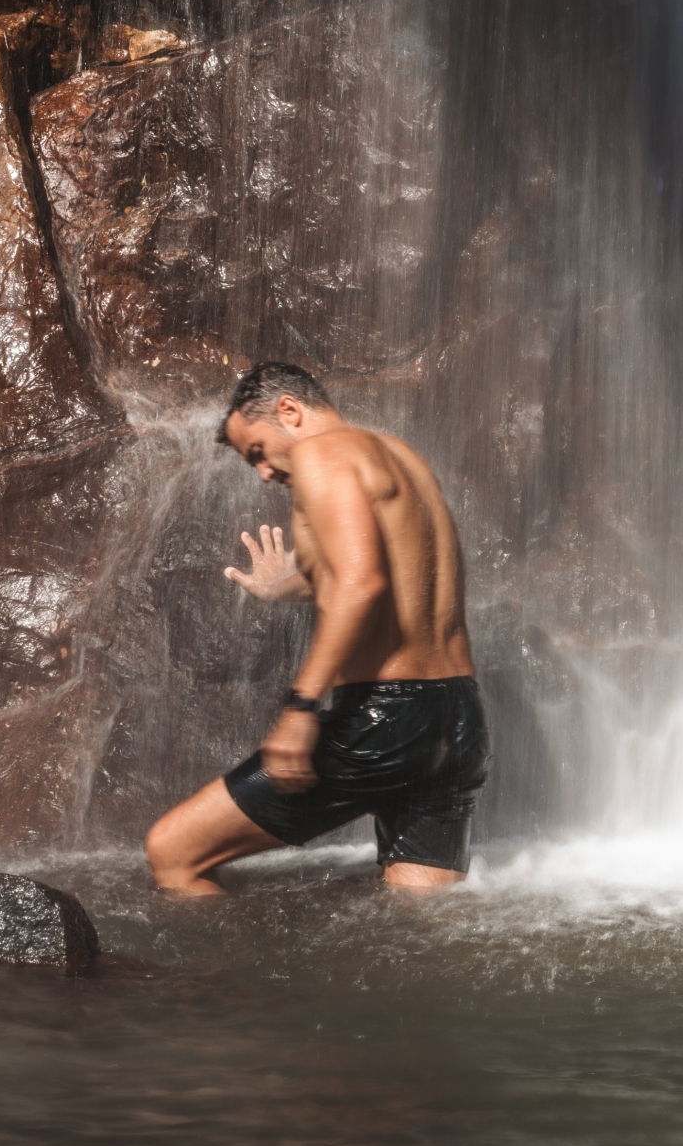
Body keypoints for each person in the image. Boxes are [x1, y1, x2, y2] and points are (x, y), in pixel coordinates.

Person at [144, 362, 489, 895]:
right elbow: (394, 573)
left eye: (257, 452)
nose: (261, 473)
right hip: (457, 719)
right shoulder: (402, 457)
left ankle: (223, 983)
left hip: (385, 717)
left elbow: (362, 583)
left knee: (172, 853)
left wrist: (300, 708)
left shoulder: (320, 454)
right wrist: (289, 585)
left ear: (289, 410)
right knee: (424, 924)